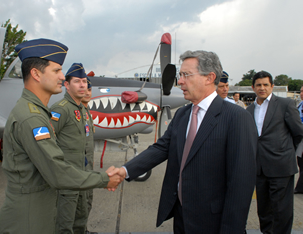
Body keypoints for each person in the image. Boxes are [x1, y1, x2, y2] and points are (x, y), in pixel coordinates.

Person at [114, 50, 258, 233]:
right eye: (180, 75)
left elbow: (241, 183)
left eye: (186, 75)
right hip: (181, 215)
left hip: (213, 221)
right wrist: (125, 170)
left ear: (209, 77)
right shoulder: (183, 114)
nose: (179, 81)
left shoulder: (237, 118)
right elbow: (161, 148)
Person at [0, 39, 122, 234]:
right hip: (30, 218)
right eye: (56, 71)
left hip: (41, 209)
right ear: (36, 74)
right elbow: (56, 171)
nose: (62, 76)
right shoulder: (32, 117)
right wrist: (104, 179)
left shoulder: (38, 112)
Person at [246, 71, 303, 234]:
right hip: (259, 168)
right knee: (264, 210)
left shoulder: (285, 104)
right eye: (258, 85)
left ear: (272, 86)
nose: (262, 88)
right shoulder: (249, 110)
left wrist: (284, 150)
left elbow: (298, 132)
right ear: (253, 87)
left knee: (281, 210)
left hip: (281, 166)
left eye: (265, 84)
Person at [50, 63, 97, 234]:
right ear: (67, 85)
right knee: (64, 222)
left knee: (81, 215)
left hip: (82, 174)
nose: (83, 85)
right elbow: (47, 142)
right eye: (77, 81)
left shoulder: (81, 110)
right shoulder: (61, 110)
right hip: (67, 177)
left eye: (84, 81)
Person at [82, 75, 96, 234]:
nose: (87, 92)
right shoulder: (70, 111)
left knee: (87, 201)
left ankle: (83, 229)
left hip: (87, 169)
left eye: (89, 89)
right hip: (78, 169)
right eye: (84, 89)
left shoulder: (86, 112)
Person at [295, 85, 303, 194]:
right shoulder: (300, 105)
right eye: (301, 91)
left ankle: (300, 187)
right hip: (300, 139)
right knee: (301, 163)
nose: (301, 93)